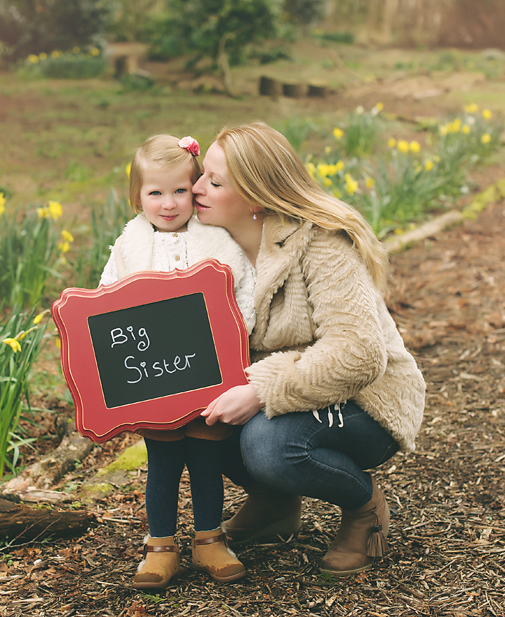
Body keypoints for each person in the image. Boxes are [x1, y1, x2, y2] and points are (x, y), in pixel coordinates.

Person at [193, 122, 426, 577]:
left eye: (214, 182)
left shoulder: (320, 242)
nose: (197, 188)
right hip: (292, 390)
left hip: (366, 401)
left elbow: (359, 352)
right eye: (202, 175)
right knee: (195, 413)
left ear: (256, 196)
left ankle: (363, 507)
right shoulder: (209, 244)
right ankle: (274, 504)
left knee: (269, 446)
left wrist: (259, 390)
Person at [100, 134, 256, 590]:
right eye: (155, 192)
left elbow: (242, 292)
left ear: (195, 189)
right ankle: (160, 545)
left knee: (206, 460)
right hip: (154, 379)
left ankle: (210, 538)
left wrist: (233, 336)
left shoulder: (216, 240)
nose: (168, 204)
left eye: (180, 191)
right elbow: (107, 304)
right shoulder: (130, 245)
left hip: (208, 375)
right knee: (164, 462)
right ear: (137, 197)